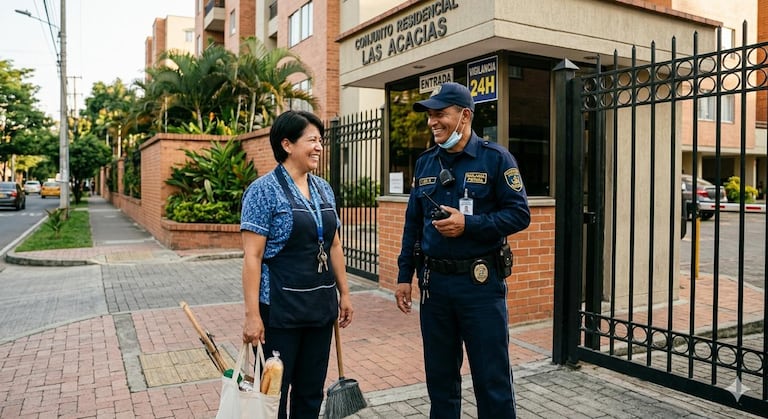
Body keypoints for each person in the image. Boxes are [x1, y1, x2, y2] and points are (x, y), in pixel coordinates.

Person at [395, 82, 530, 418]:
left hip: (480, 286)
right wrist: (403, 275)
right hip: (435, 288)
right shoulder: (426, 163)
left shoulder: (496, 159)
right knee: (440, 383)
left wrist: (469, 225)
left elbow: (519, 214)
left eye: (440, 114)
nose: (432, 122)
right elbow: (413, 224)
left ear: (465, 115)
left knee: (492, 382)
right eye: (430, 115)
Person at [240, 110, 354, 418]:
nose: (319, 147)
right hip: (279, 310)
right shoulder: (263, 191)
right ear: (287, 144)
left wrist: (344, 293)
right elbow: (252, 256)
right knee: (273, 393)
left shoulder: (323, 188)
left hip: (319, 306)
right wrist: (252, 316)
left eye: (321, 140)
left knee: (310, 391)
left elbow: (333, 243)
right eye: (312, 140)